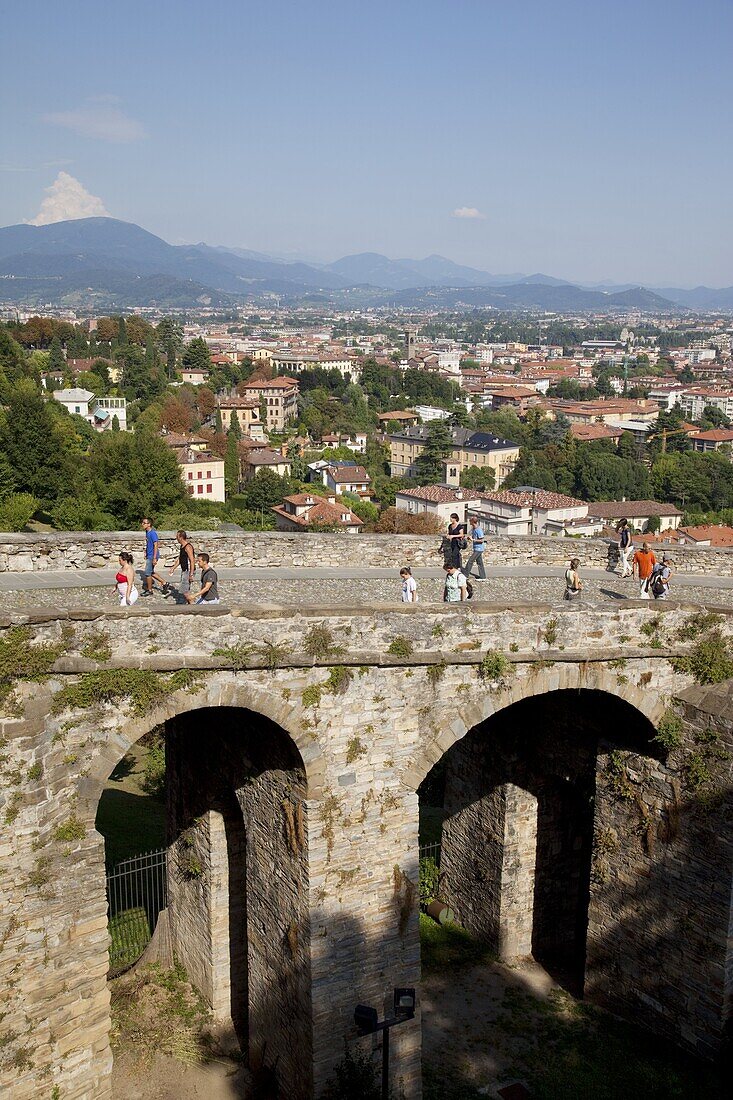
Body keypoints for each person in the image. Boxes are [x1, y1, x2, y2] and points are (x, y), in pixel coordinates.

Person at [165, 530, 195, 603]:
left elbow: (192, 560)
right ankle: (190, 603)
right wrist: (173, 568)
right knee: (185, 589)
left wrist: (191, 574)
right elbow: (180, 558)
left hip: (187, 571)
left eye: (177, 537)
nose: (176, 538)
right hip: (184, 570)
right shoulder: (182, 546)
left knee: (184, 590)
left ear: (181, 537)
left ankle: (192, 604)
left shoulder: (188, 547)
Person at [141, 517, 167, 597]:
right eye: (142, 522)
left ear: (149, 524)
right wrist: (146, 552)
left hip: (152, 555)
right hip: (149, 554)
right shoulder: (147, 532)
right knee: (151, 572)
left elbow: (156, 545)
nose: (142, 524)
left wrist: (155, 558)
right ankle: (164, 583)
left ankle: (150, 590)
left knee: (147, 573)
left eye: (144, 523)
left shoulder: (152, 533)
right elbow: (149, 544)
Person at [463, 515, 487, 580]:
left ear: (473, 522)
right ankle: (483, 577)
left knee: (470, 561)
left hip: (479, 549)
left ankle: (465, 575)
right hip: (476, 548)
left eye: (470, 520)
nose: (469, 521)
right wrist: (468, 538)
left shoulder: (478, 530)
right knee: (480, 563)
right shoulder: (473, 529)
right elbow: (472, 536)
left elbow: (482, 540)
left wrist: (473, 540)